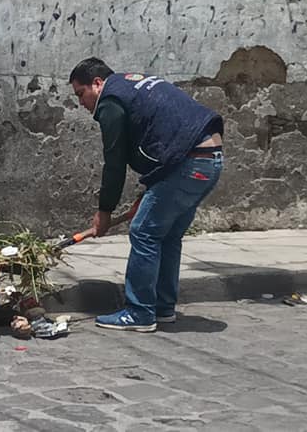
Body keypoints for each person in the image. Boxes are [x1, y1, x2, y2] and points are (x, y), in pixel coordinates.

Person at [69, 57, 224, 332]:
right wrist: (153, 186)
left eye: (81, 94)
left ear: (97, 83)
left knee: (143, 232)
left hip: (188, 162)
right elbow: (162, 133)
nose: (81, 103)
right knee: (167, 234)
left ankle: (139, 311)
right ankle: (163, 308)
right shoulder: (132, 86)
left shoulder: (111, 102)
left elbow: (114, 162)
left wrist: (104, 211)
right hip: (209, 159)